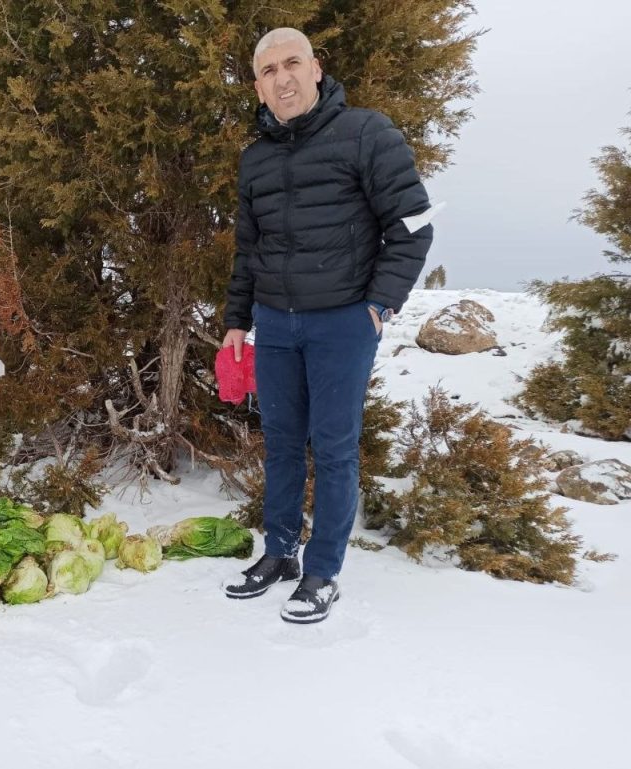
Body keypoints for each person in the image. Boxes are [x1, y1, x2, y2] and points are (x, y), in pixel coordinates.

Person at [221, 29, 433, 623]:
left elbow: (413, 228)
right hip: (275, 324)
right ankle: (280, 552)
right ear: (258, 86)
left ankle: (322, 571)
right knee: (282, 444)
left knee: (335, 449)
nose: (282, 79)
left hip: (343, 320)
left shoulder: (367, 133)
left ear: (316, 69)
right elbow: (248, 248)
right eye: (268, 71)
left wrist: (378, 306)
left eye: (292, 64)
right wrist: (239, 319)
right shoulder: (256, 157)